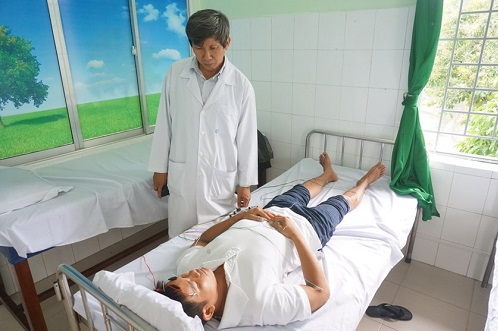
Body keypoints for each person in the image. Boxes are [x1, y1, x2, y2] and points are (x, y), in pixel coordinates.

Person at [158, 153, 387, 328]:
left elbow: (204, 239)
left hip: (270, 212)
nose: (193, 274)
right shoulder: (257, 304)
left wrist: (241, 216)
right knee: (342, 202)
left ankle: (327, 175)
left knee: (301, 190)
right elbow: (320, 292)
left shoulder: (186, 268)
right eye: (195, 285)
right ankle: (365, 181)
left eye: (184, 277)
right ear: (208, 312)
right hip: (308, 228)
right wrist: (295, 235)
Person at [148, 9, 258, 238]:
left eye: (213, 48)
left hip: (220, 184)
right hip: (183, 178)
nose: (206, 55)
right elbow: (164, 123)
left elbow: (246, 139)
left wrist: (245, 183)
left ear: (227, 43)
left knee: (215, 243)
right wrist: (160, 168)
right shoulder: (175, 74)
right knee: (178, 243)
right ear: (191, 44)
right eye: (199, 48)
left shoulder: (241, 85)